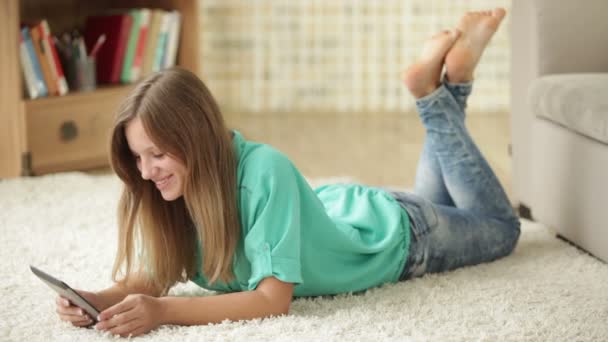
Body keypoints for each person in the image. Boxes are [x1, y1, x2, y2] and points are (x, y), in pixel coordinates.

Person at [55, 8, 519, 337]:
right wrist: (97, 297)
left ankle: (433, 96)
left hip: (403, 239)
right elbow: (152, 276)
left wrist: (162, 312)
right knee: (442, 202)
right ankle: (450, 82)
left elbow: (270, 301)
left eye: (156, 154)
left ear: (192, 136)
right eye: (138, 157)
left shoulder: (262, 171)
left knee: (502, 228)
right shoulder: (172, 190)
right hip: (359, 213)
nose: (147, 171)